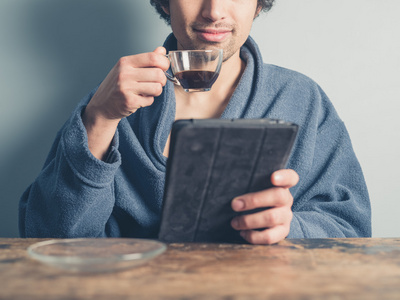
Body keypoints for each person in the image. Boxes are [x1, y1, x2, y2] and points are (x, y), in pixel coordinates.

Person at [19, 0, 371, 244]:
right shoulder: (112, 101)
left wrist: (291, 228)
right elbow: (46, 238)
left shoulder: (301, 99)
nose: (214, 11)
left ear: (259, 4)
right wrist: (98, 118)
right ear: (165, 2)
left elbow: (351, 229)